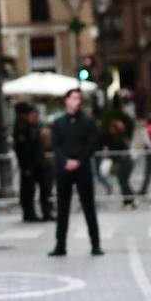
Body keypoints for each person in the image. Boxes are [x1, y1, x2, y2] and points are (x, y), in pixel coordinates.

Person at [49, 88, 103, 257]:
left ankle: (95, 244)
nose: (76, 101)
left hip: (82, 168)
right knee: (62, 208)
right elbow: (55, 146)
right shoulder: (58, 123)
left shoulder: (88, 122)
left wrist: (79, 160)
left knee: (88, 207)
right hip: (64, 169)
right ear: (67, 101)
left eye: (79, 98)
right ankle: (60, 244)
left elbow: (92, 144)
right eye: (73, 98)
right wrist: (65, 161)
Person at [13, 103, 53, 222]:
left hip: (38, 161)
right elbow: (23, 149)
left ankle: (46, 212)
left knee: (44, 187)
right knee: (28, 190)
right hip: (29, 163)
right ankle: (29, 213)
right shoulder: (21, 127)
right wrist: (26, 166)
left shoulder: (33, 126)